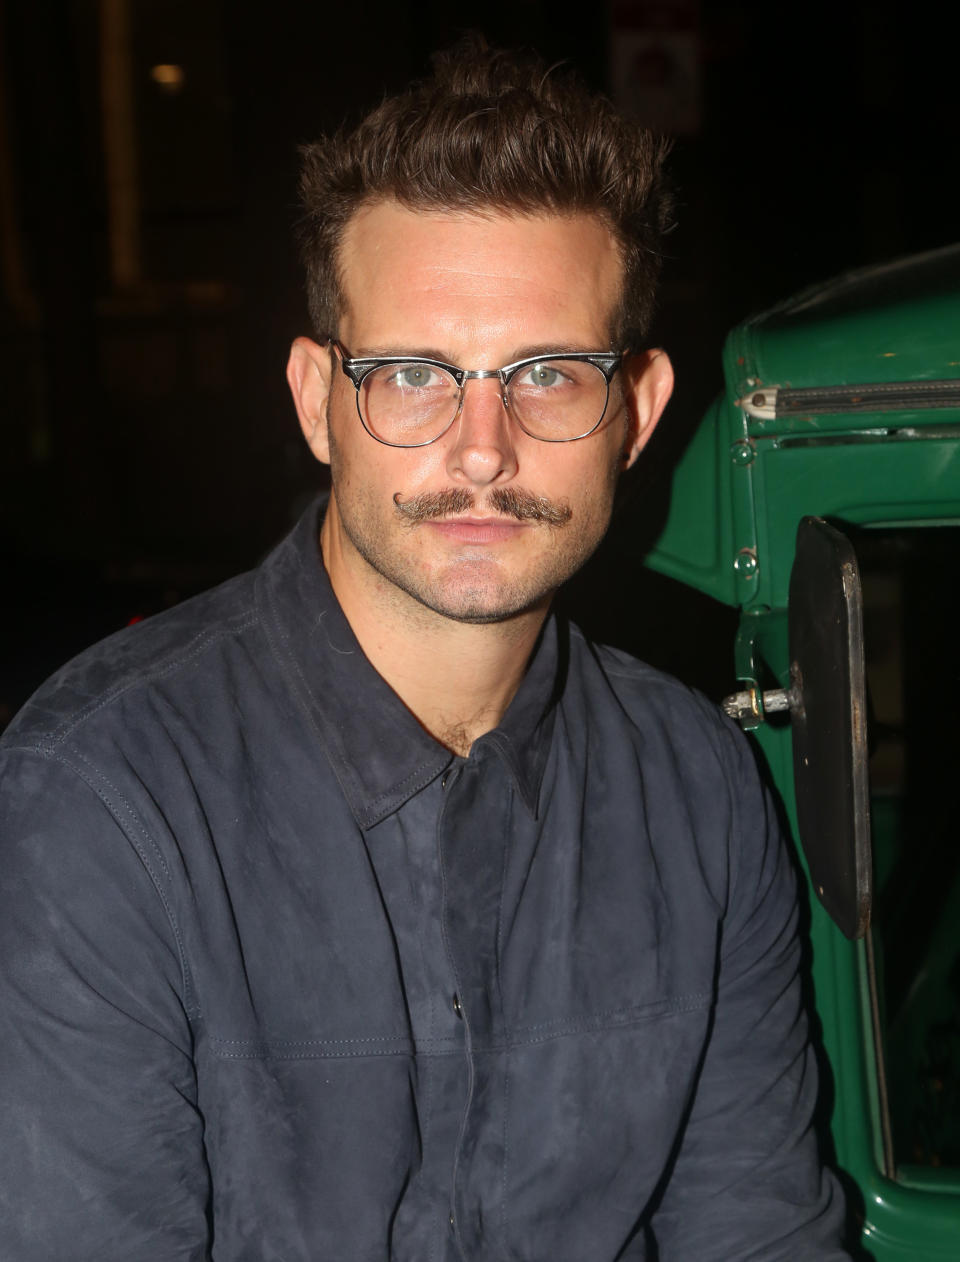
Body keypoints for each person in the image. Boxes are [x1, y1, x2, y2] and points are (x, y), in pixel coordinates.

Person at [0, 40, 848, 1261]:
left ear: (641, 411)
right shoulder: (101, 800)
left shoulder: (700, 790)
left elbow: (760, 1232)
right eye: (412, 375)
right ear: (315, 400)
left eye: (549, 374)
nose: (483, 447)